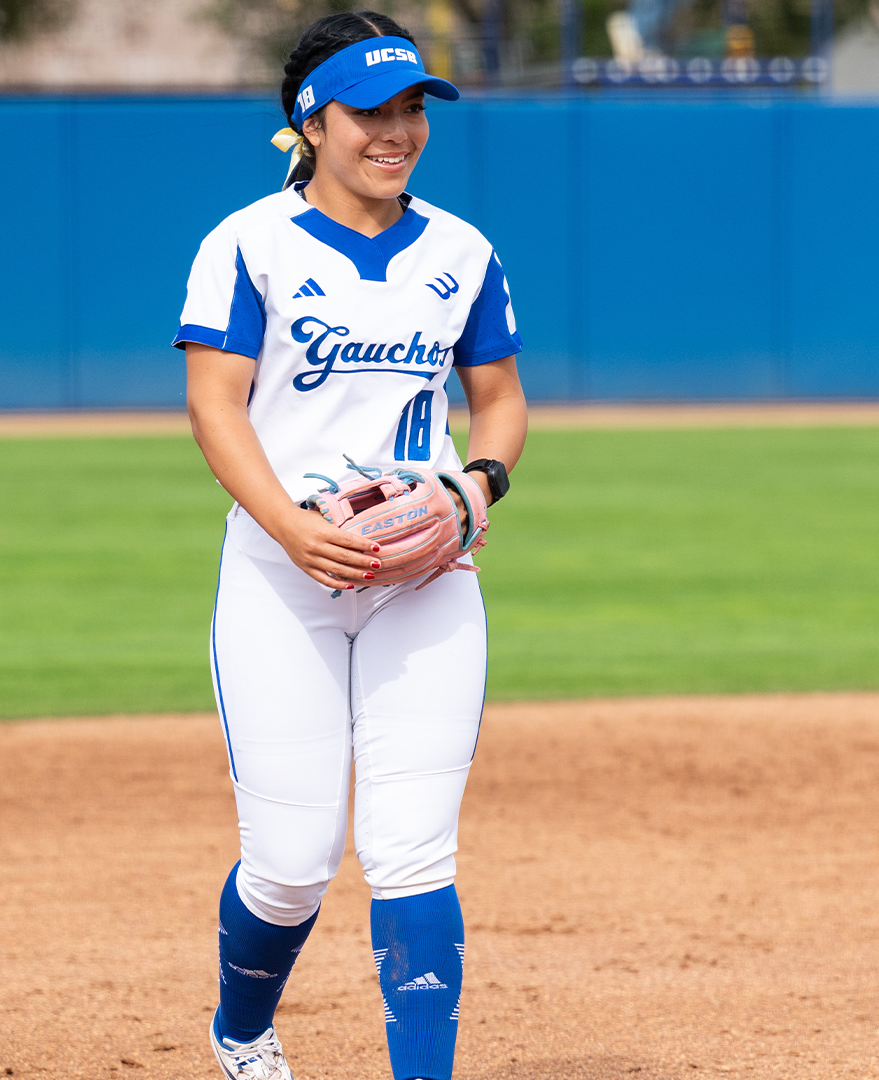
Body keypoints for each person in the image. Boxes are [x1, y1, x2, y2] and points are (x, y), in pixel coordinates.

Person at [172, 10, 529, 1080]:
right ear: (309, 122)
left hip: (426, 579)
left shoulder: (461, 251)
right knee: (289, 868)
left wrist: (478, 487)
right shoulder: (248, 245)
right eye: (371, 110)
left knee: (412, 850)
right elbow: (214, 407)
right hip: (284, 580)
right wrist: (291, 528)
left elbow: (500, 400)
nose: (398, 130)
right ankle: (241, 1030)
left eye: (412, 107)